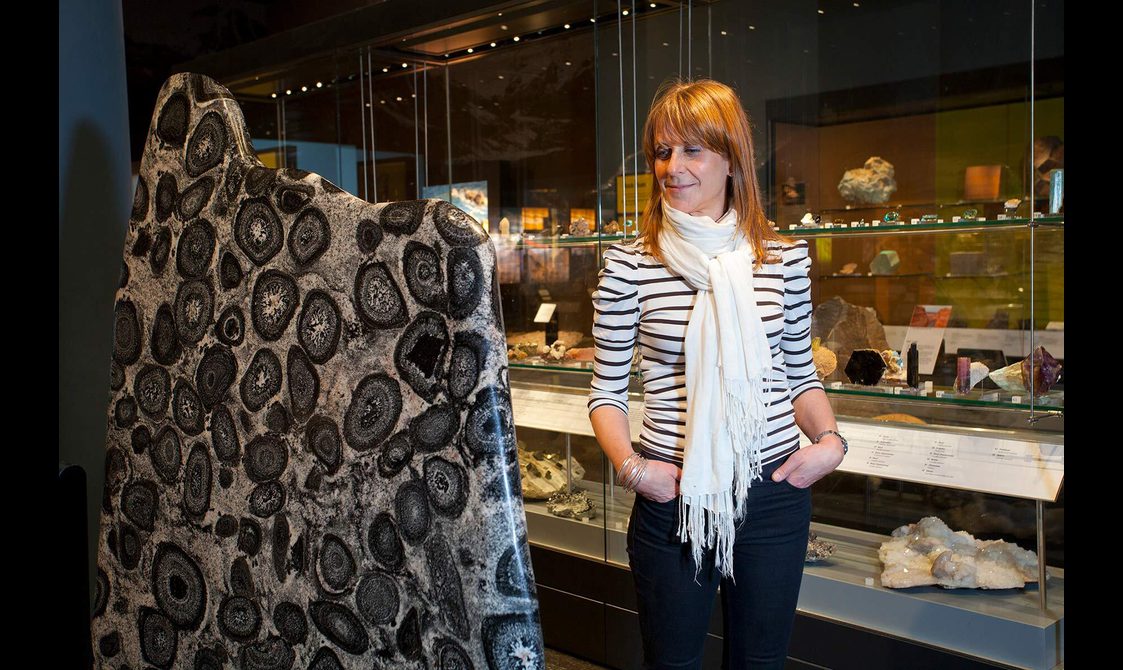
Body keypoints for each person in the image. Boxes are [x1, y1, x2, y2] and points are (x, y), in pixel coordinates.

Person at [588, 79, 846, 670]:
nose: (671, 167)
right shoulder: (629, 265)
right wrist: (634, 471)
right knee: (672, 661)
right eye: (661, 151)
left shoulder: (783, 260)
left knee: (761, 661)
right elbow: (606, 392)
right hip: (675, 492)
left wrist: (830, 443)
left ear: (732, 159)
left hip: (775, 491)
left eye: (692, 150)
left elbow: (799, 373)